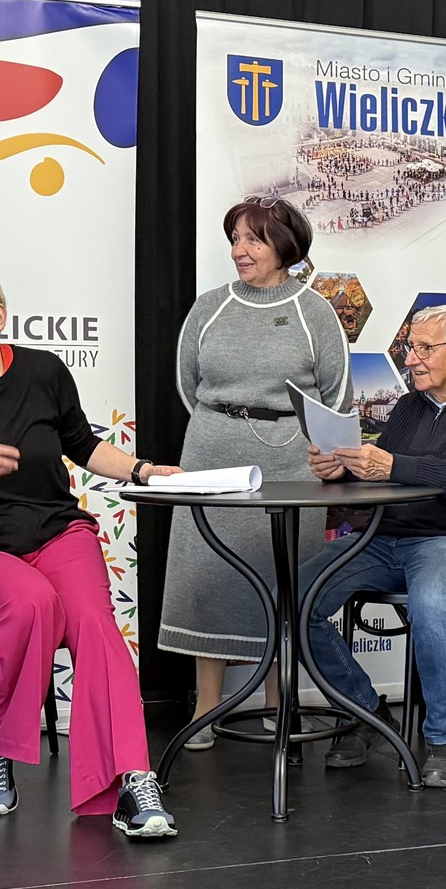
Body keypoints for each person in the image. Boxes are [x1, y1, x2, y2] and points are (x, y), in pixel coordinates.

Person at [0, 262, 182, 836]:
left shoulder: (44, 371)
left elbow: (82, 445)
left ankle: (133, 779)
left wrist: (144, 470)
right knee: (30, 603)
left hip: (54, 533)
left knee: (94, 623)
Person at [300, 304, 446, 790]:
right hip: (384, 540)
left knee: (431, 598)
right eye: (410, 347)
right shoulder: (408, 407)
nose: (411, 359)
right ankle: (366, 713)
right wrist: (341, 471)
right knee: (295, 596)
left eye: (425, 348)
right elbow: (383, 478)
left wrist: (394, 466)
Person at [160, 199, 351, 747]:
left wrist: (311, 447)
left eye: (253, 240)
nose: (239, 251)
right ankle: (206, 708)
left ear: (284, 248)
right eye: (235, 239)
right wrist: (225, 429)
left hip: (291, 462)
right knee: (208, 576)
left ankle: (278, 701)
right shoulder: (210, 307)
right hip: (210, 456)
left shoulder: (315, 311)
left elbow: (336, 396)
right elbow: (188, 385)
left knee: (281, 576)